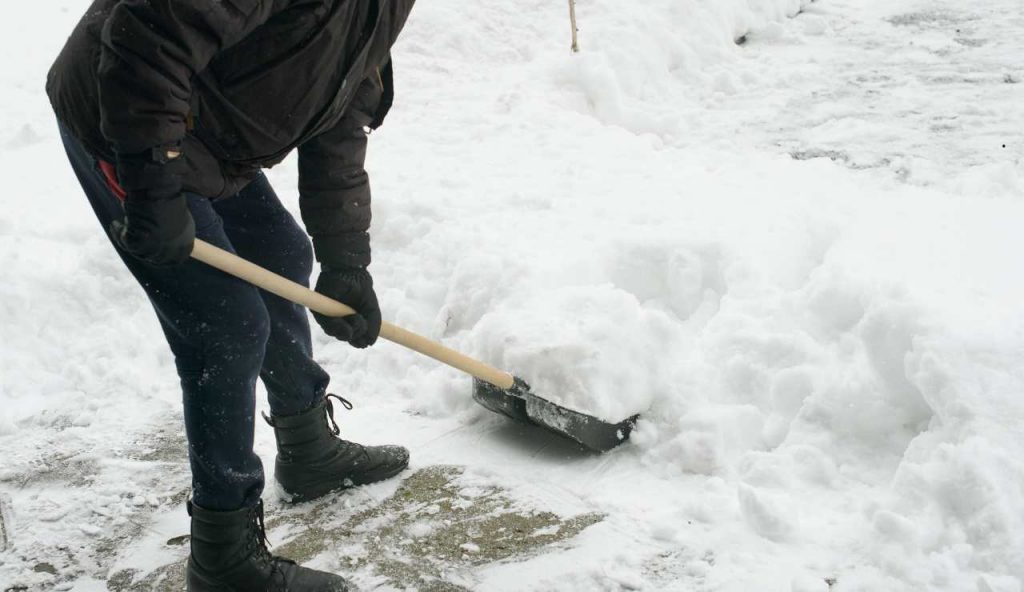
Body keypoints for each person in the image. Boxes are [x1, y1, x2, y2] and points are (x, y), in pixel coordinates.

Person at [47, 0, 416, 589]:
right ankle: (224, 556)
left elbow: (342, 106)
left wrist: (347, 259)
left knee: (284, 259)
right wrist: (152, 183)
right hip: (125, 118)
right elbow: (148, 37)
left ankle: (307, 448)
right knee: (226, 323)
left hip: (207, 131)